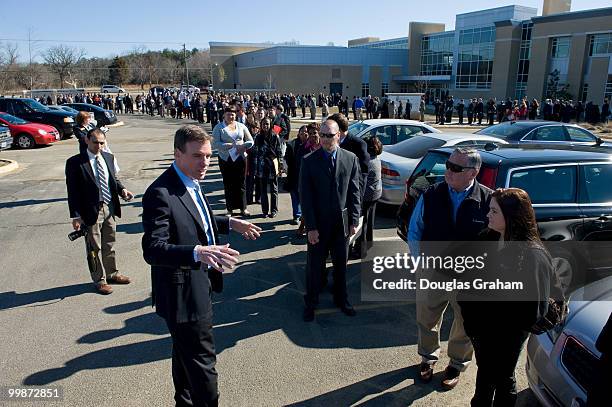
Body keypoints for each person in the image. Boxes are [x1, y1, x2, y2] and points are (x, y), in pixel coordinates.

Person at [142, 125, 262, 407]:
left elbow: (199, 219)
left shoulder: (192, 181)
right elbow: (152, 249)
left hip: (201, 285)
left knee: (185, 354)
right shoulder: (160, 193)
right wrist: (197, 252)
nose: (205, 162)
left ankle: (183, 402)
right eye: (197, 156)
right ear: (177, 154)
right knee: (202, 361)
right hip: (183, 296)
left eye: (208, 156)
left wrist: (231, 222)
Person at [460, 188, 554, 407]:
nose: (487, 215)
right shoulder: (486, 238)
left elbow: (532, 311)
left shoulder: (533, 255)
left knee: (503, 377)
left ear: (511, 217)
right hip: (481, 330)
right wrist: (471, 319)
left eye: (493, 211)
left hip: (507, 335)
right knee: (484, 374)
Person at [408, 147, 492, 390]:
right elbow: (415, 230)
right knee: (426, 317)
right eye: (448, 165)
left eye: (456, 168)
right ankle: (427, 357)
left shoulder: (488, 199)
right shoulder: (431, 194)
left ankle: (456, 363)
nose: (448, 171)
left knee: (466, 322)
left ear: (473, 172)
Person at [300, 119, 361, 322]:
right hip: (318, 226)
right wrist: (311, 227)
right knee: (315, 267)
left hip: (341, 225)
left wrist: (354, 220)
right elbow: (305, 197)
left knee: (341, 266)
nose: (325, 139)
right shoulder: (309, 161)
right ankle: (311, 302)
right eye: (323, 135)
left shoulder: (350, 158)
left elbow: (354, 192)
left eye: (330, 135)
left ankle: (341, 299)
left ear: (339, 136)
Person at [65, 128, 134, 295]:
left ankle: (112, 274)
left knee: (109, 244)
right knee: (93, 247)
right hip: (90, 211)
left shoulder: (108, 157)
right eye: (95, 142)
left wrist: (122, 190)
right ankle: (99, 280)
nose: (99, 146)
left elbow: (113, 179)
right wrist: (76, 216)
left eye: (102, 143)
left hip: (109, 207)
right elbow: (72, 191)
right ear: (87, 140)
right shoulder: (75, 162)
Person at [213, 106, 254, 217]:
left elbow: (251, 141)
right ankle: (229, 209)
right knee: (228, 184)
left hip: (240, 158)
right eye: (228, 114)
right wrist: (229, 145)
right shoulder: (219, 127)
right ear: (224, 115)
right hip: (226, 159)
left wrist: (243, 146)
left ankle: (243, 208)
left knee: (241, 183)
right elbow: (215, 144)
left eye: (232, 114)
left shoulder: (241, 126)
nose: (230, 116)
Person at [328, 113, 369, 203]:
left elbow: (362, 176)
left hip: (348, 199)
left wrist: (357, 202)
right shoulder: (330, 143)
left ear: (338, 129)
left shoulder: (358, 145)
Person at [352, 136, 382, 257]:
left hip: (366, 196)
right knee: (369, 222)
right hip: (375, 194)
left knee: (362, 224)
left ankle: (361, 250)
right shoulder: (376, 159)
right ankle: (368, 245)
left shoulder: (367, 162)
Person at [253, 118, 282, 218]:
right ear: (261, 125)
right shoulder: (258, 137)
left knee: (274, 189)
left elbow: (279, 152)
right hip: (261, 167)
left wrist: (280, 166)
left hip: (272, 166)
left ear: (270, 125)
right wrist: (255, 168)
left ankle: (274, 210)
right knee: (263, 190)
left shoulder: (275, 136)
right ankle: (265, 211)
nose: (265, 126)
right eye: (263, 124)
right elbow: (256, 153)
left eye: (267, 124)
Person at [284, 125, 308, 225]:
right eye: (302, 132)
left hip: (307, 177)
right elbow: (287, 161)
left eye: (306, 132)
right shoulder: (291, 144)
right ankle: (296, 215)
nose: (304, 134)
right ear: (298, 134)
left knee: (305, 198)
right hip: (294, 175)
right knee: (295, 197)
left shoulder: (312, 144)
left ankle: (304, 216)